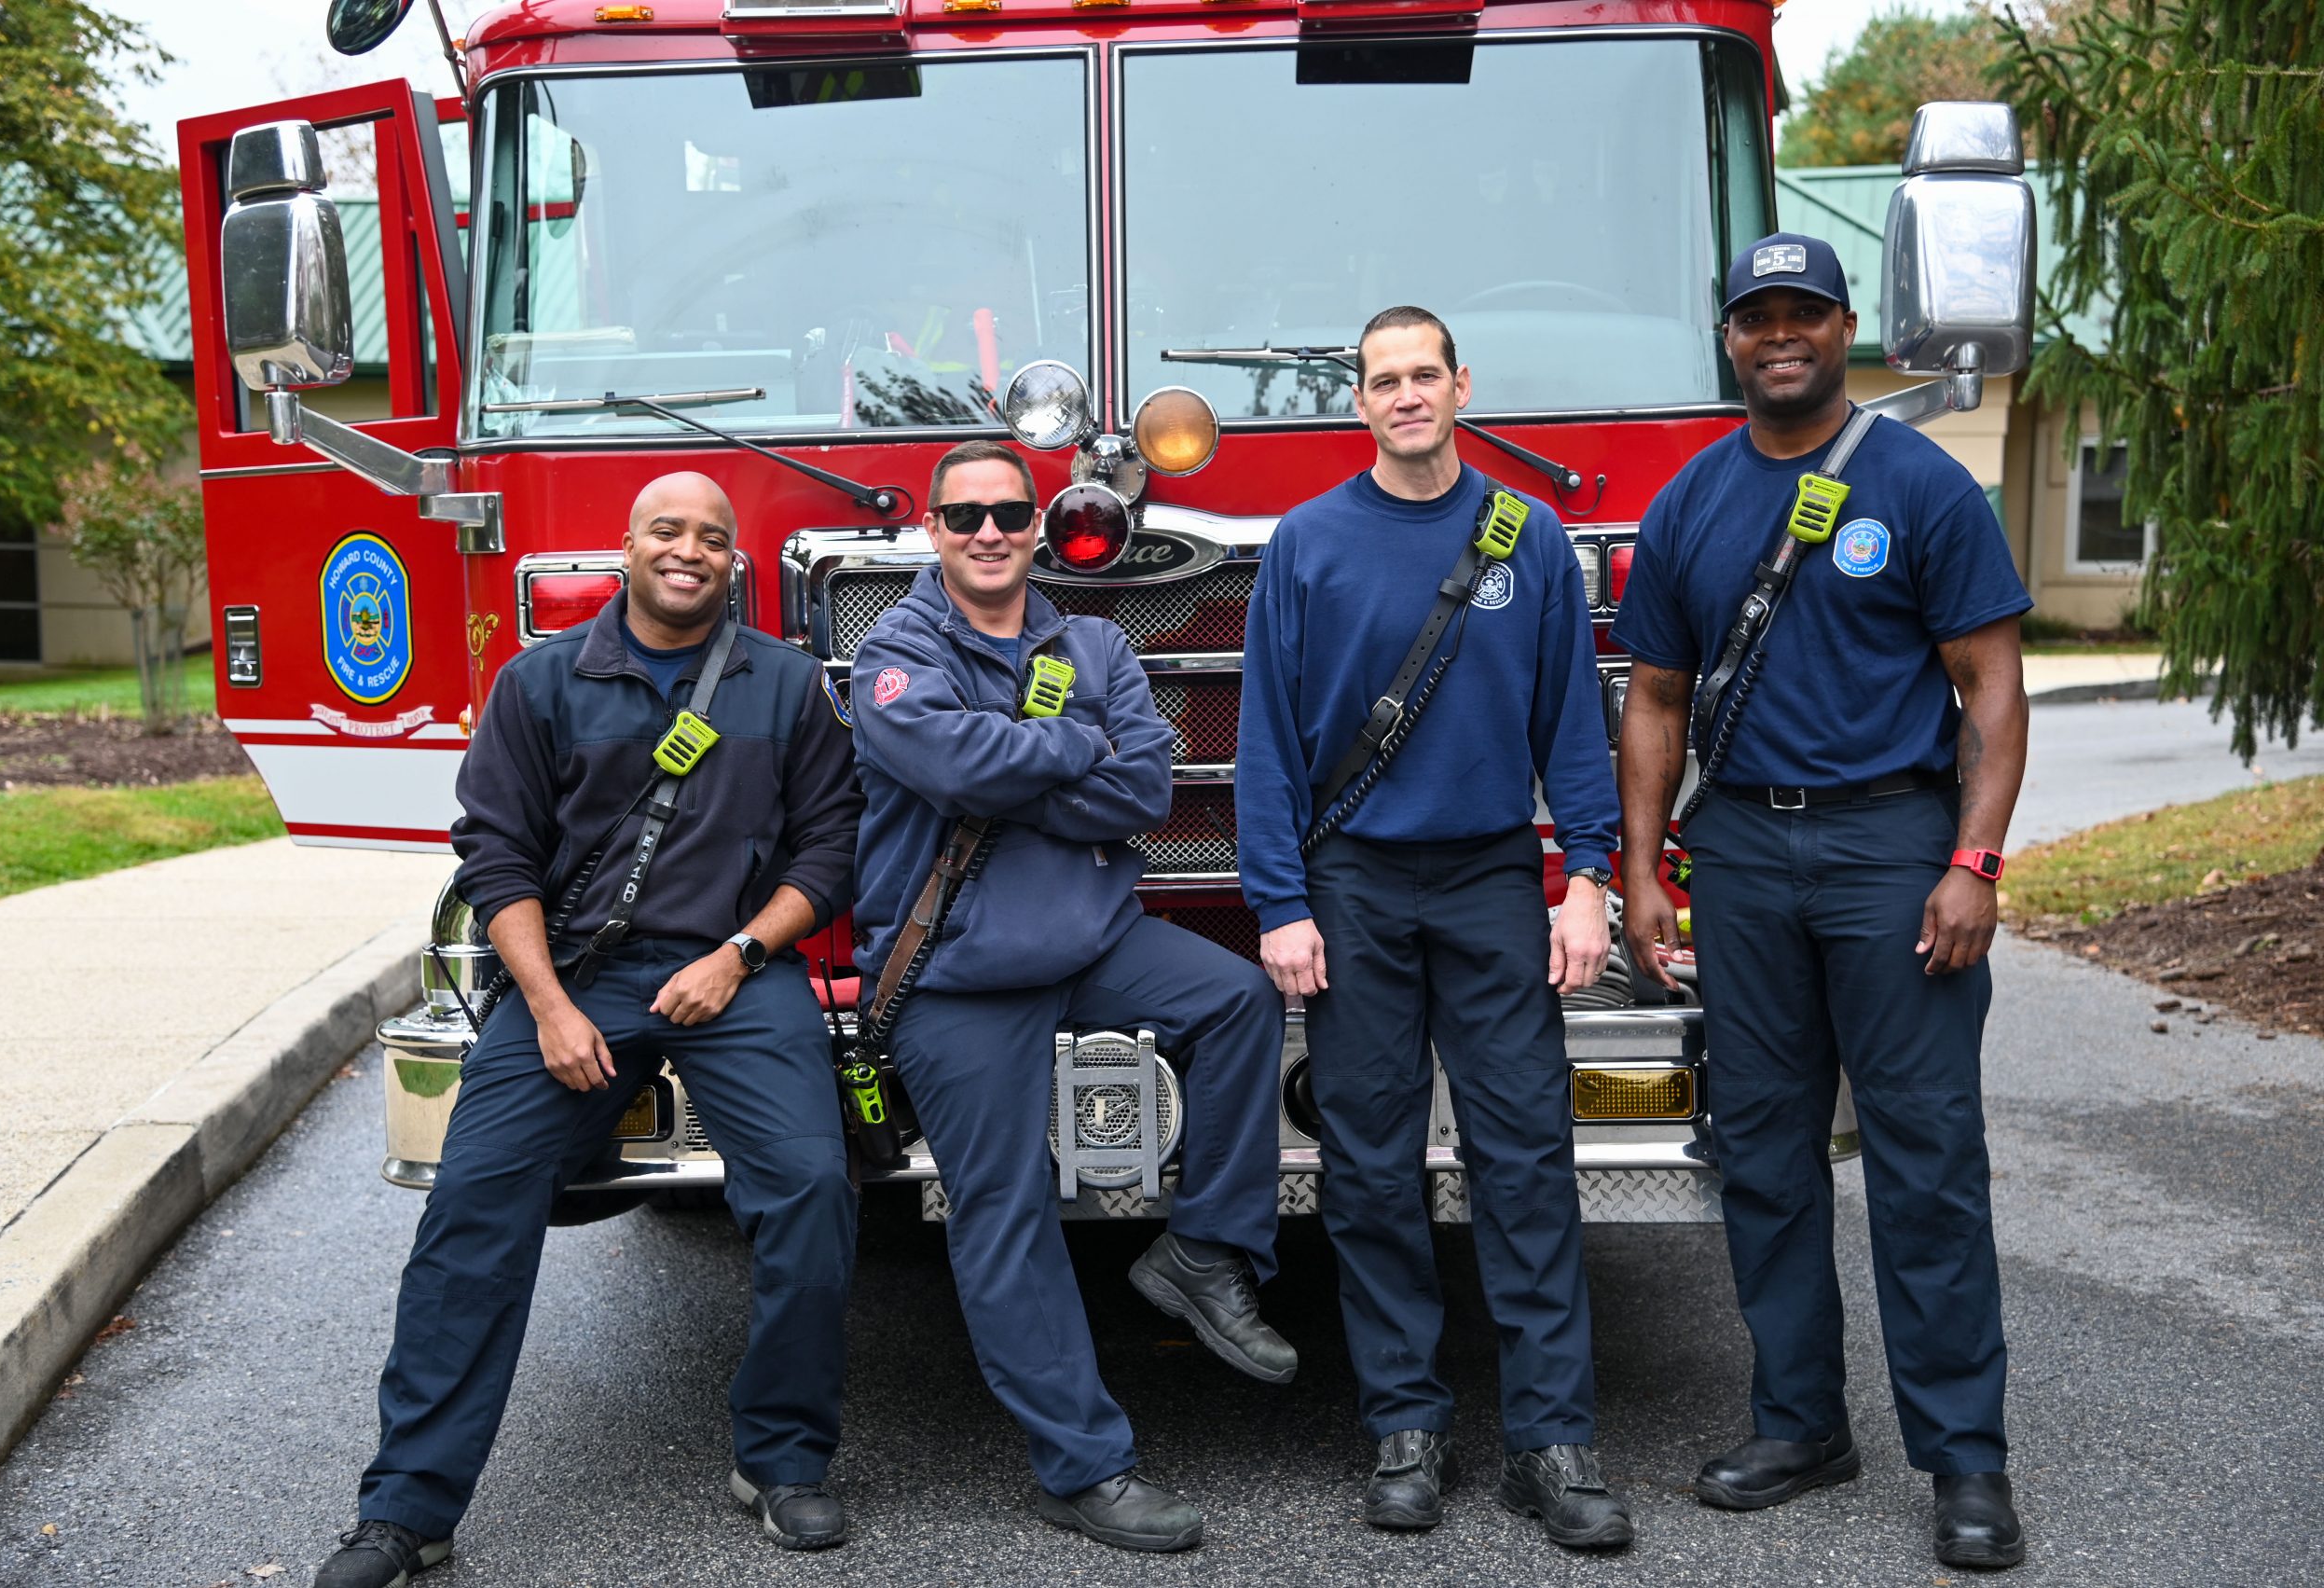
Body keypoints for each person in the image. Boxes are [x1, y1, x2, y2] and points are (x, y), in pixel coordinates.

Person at [313, 473, 866, 1588]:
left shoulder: (793, 687)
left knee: (813, 1187)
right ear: (629, 545)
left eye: (712, 538)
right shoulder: (540, 681)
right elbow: (497, 859)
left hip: (734, 976)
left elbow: (829, 852)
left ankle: (781, 1457)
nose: (690, 550)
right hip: (573, 978)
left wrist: (740, 955)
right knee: (473, 1204)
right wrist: (552, 1009)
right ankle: (407, 1507)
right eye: (668, 530)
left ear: (732, 563)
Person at [1610, 233, 2030, 1572]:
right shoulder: (1688, 504)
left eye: (1804, 313)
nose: (1779, 334)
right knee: (1766, 1156)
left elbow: (1994, 690)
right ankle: (1799, 1420)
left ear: (1848, 326)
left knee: (1925, 1166)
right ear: (1728, 337)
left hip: (1893, 850)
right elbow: (1657, 701)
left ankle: (1966, 1458)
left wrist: (1973, 863)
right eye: (1756, 316)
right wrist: (1640, 871)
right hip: (1737, 858)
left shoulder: (1920, 485)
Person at [848, 438, 1293, 1554]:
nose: (988, 531)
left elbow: (1146, 781)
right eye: (964, 515)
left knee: (1238, 1003)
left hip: (1095, 941)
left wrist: (1026, 759)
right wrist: (1069, 747)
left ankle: (1204, 1248)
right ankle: (1083, 1466)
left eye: (1007, 511)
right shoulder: (893, 649)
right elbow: (952, 770)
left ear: (1037, 524)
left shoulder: (1093, 637)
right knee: (1002, 1215)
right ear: (933, 530)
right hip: (961, 967)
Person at [1237, 306, 1632, 1548]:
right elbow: (1267, 743)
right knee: (1368, 1168)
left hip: (1491, 881)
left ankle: (1551, 1441)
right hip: (1352, 882)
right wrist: (1282, 902)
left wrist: (1588, 877)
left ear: (1463, 385)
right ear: (1357, 401)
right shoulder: (1306, 544)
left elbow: (1574, 724)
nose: (1405, 394)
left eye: (1424, 374)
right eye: (1381, 379)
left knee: (1526, 1160)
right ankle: (1405, 1424)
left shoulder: (1529, 535)